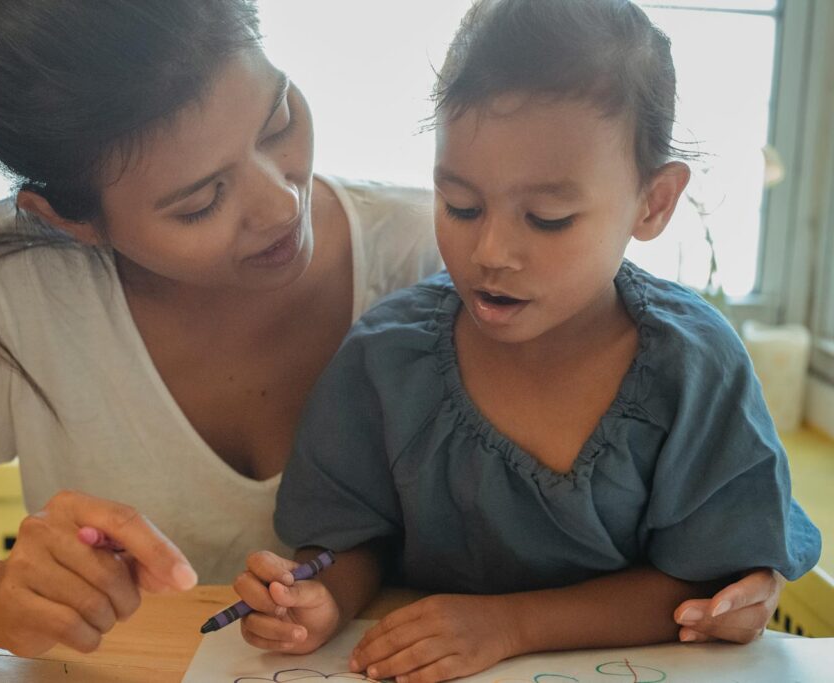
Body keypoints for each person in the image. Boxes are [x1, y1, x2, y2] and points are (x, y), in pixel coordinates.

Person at [0, 0, 781, 660]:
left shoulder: (436, 255)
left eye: (278, 118)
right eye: (199, 201)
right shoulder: (9, 297)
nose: (278, 206)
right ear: (68, 219)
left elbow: (706, 539)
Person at [233, 1, 822, 681]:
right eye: (460, 205)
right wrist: (318, 596)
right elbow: (351, 541)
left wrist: (511, 625)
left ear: (653, 203)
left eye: (547, 219)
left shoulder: (695, 370)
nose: (492, 251)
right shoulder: (385, 361)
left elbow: (702, 588)